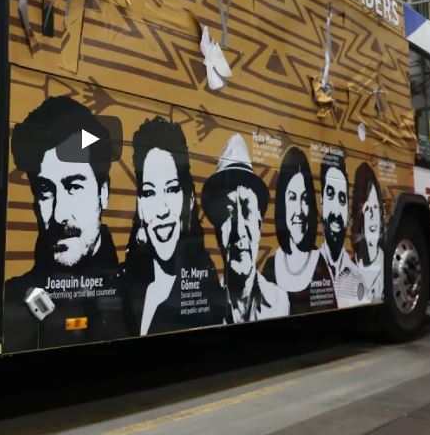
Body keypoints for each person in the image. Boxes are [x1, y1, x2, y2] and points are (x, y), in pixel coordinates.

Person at [3, 96, 127, 350]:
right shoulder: (11, 297)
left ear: (103, 193)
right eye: (45, 191)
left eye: (74, 186)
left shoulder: (136, 290)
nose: (59, 215)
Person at [121, 117, 224, 335]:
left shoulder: (204, 280)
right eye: (149, 192)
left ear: (189, 200)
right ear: (140, 206)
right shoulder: (127, 282)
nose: (162, 210)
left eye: (171, 189)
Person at [201, 134, 288, 323]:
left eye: (247, 212)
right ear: (216, 230)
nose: (239, 231)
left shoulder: (279, 302)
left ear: (259, 225)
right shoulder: (207, 309)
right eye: (228, 213)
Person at [262, 146, 334, 314]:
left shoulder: (320, 265)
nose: (299, 211)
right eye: (292, 198)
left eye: (305, 199)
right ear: (282, 204)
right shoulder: (270, 267)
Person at [318, 151, 363, 307]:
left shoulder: (358, 277)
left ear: (348, 209)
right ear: (321, 200)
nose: (337, 212)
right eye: (330, 195)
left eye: (342, 199)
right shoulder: (309, 269)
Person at [353, 163, 386, 301]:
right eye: (367, 209)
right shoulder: (351, 267)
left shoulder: (386, 263)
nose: (372, 216)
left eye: (375, 207)